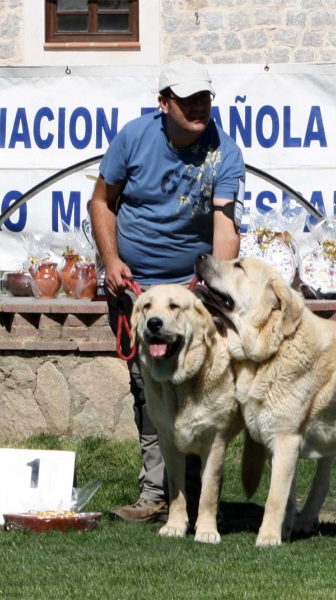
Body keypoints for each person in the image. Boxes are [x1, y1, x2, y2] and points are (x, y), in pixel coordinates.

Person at [90, 59, 245, 524]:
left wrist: (213, 290)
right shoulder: (133, 138)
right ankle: (157, 494)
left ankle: (195, 496)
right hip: (138, 290)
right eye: (189, 100)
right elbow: (102, 201)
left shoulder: (225, 152)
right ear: (164, 103)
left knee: (203, 391)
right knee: (151, 391)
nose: (200, 108)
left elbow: (224, 224)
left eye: (205, 99)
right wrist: (112, 261)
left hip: (192, 295)